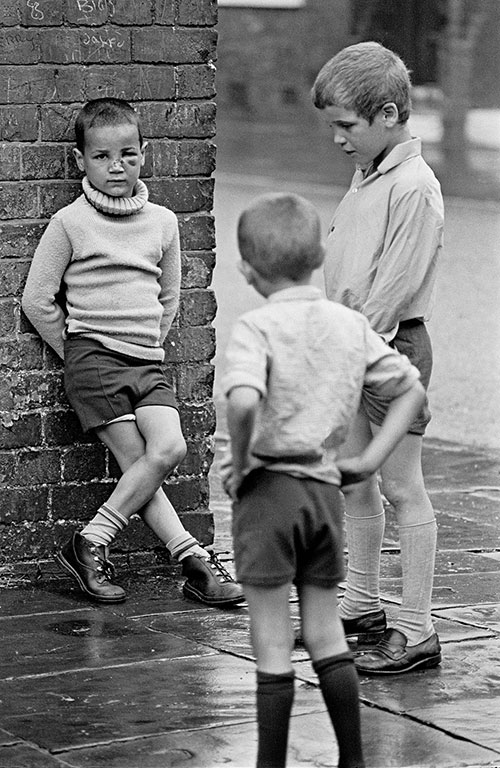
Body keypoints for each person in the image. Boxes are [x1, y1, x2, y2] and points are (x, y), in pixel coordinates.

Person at [222, 192, 426, 768]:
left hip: (267, 496)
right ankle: (353, 760)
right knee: (326, 634)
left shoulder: (255, 328)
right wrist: (366, 461)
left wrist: (241, 464)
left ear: (246, 269)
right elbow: (411, 390)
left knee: (271, 641)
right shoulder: (350, 325)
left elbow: (241, 402)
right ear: (317, 259)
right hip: (323, 495)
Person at [22, 97, 243, 608]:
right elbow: (37, 299)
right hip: (94, 361)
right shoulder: (69, 223)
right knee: (137, 459)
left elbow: (169, 298)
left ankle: (90, 539)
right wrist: (76, 348)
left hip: (146, 361)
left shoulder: (162, 223)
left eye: (127, 154)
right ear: (81, 161)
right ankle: (194, 564)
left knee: (167, 451)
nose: (116, 165)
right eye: (101, 156)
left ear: (146, 153)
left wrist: (149, 342)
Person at [311, 41, 444, 674]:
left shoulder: (414, 187)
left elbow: (390, 289)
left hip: (390, 352)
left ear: (388, 114)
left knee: (401, 486)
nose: (338, 139)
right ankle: (362, 606)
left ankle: (417, 631)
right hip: (352, 346)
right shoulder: (368, 176)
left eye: (347, 125)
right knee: (356, 480)